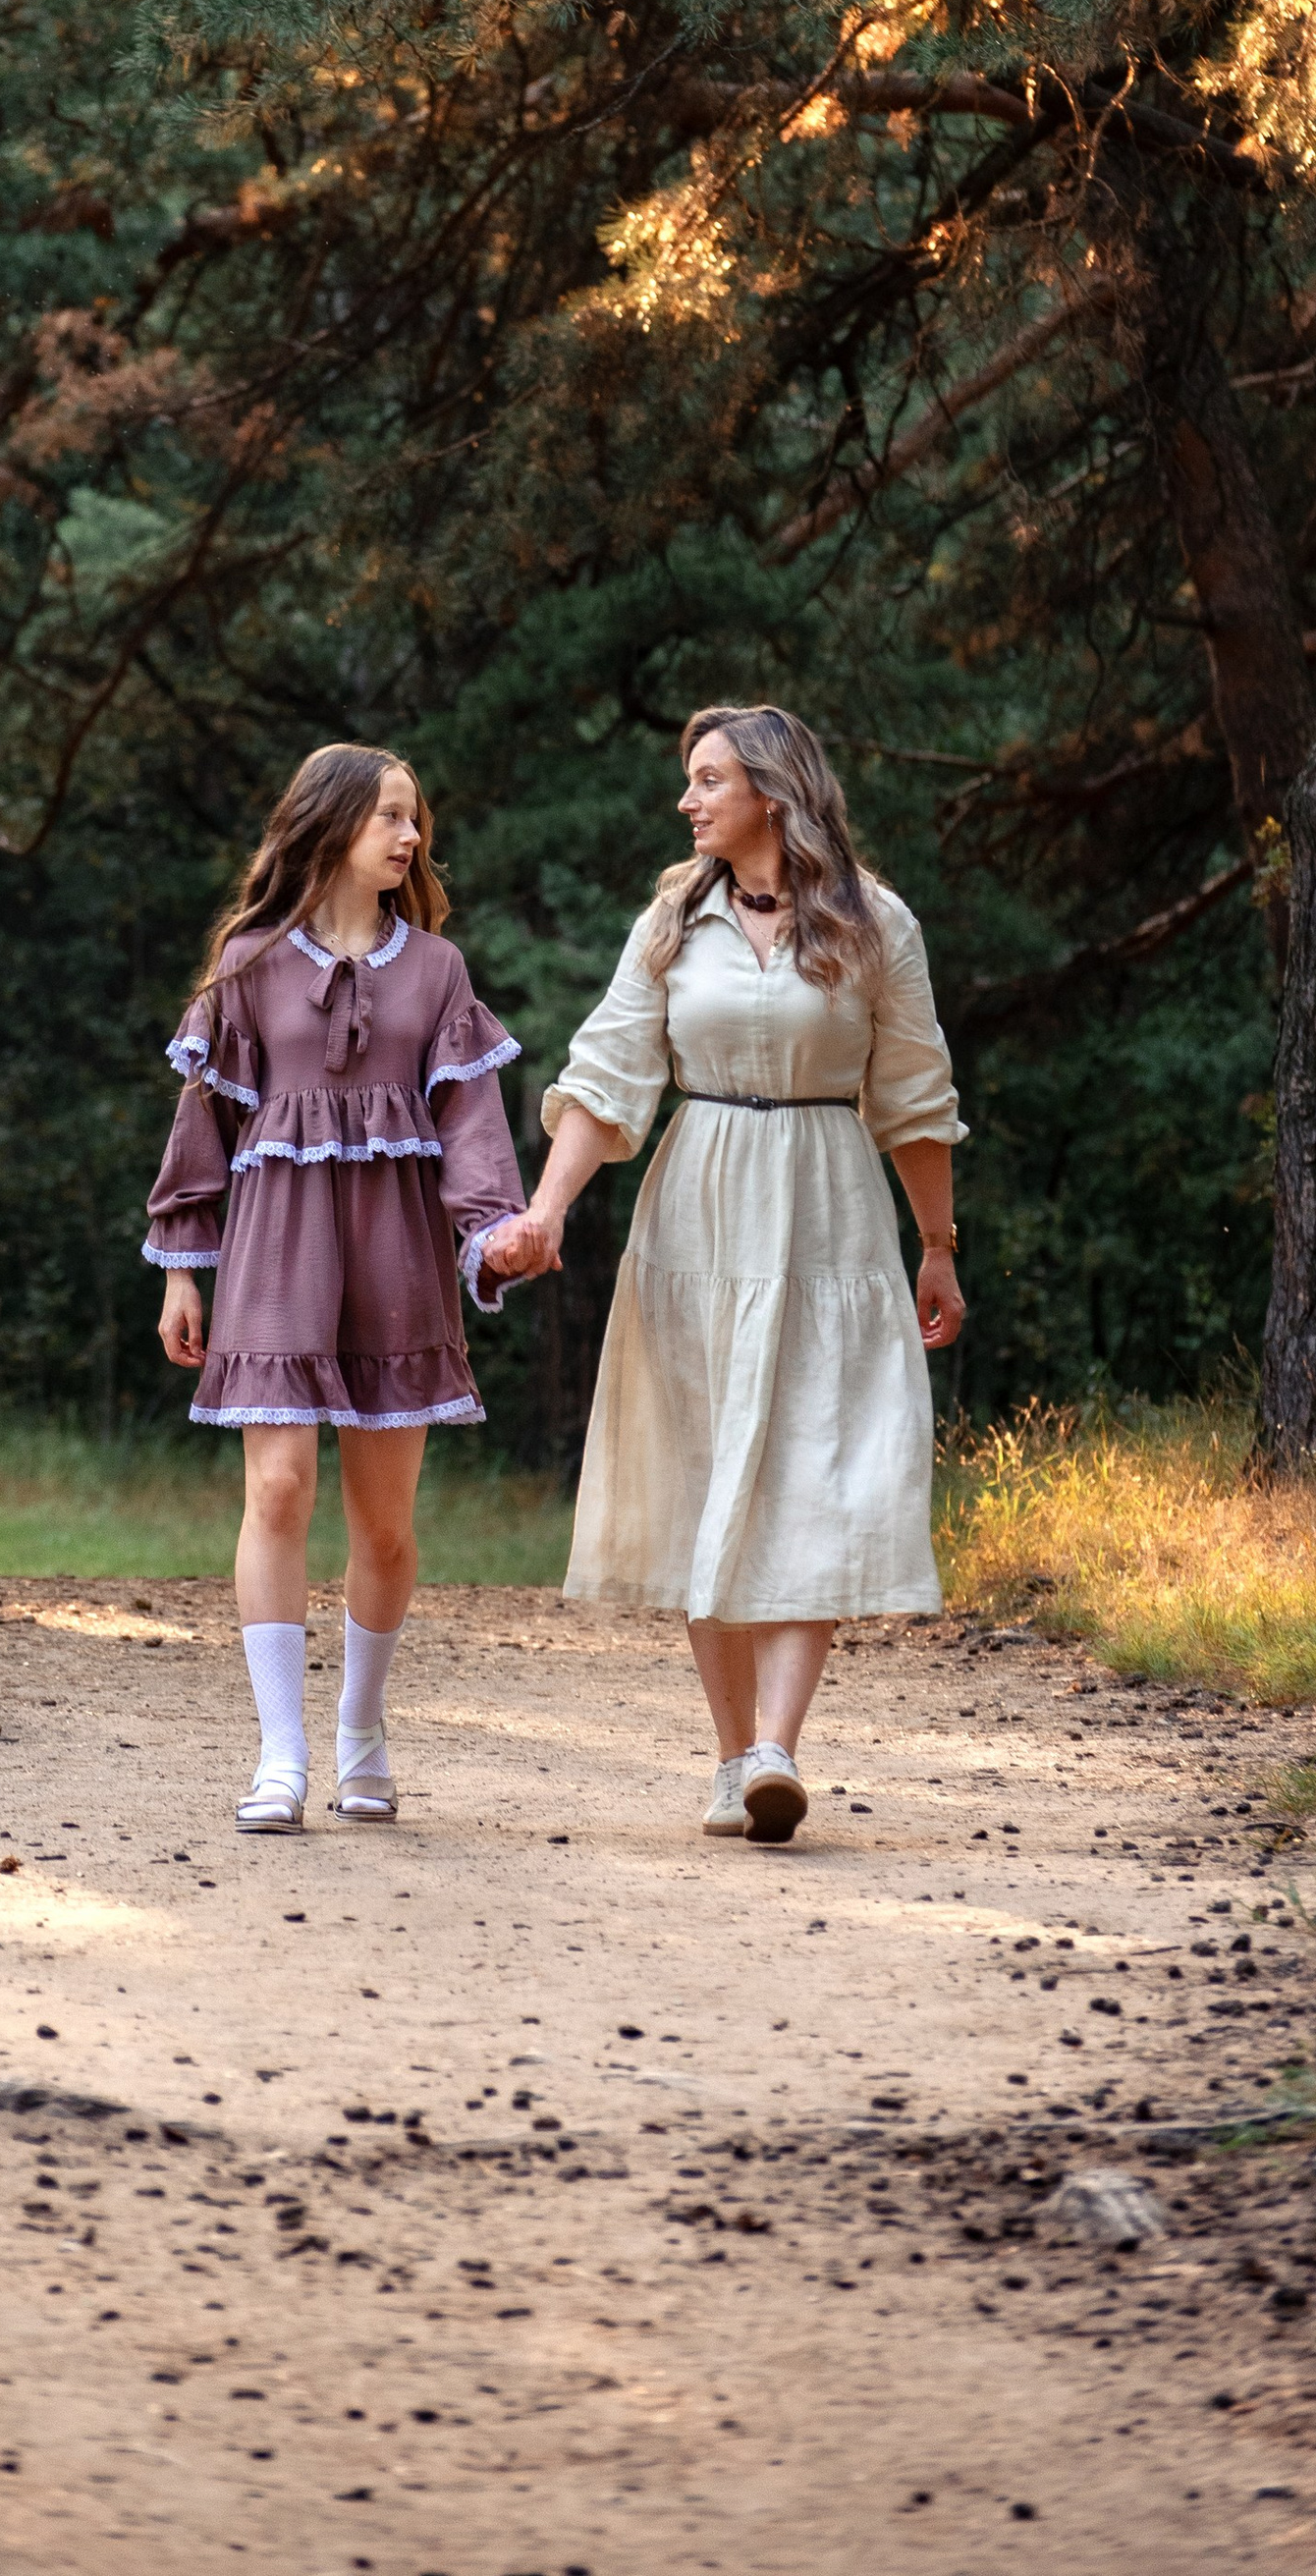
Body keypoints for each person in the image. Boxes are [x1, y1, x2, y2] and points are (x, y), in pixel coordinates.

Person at [495, 703, 965, 1843]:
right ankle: (725, 1757)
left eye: (707, 779)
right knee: (710, 1468)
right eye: (687, 780)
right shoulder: (673, 920)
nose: (687, 799)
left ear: (770, 791)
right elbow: (606, 1073)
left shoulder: (872, 923)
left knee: (818, 1465)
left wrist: (937, 1244)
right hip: (697, 1204)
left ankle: (776, 1750)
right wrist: (545, 1211)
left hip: (827, 1212)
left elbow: (911, 1092)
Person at [146, 741, 530, 1834]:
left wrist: (492, 1233)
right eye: (393, 818)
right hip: (275, 1248)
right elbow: (202, 1126)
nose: (412, 839)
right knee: (275, 1492)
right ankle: (281, 1752)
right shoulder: (249, 962)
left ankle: (362, 1724)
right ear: (332, 825)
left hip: (397, 1254)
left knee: (386, 1523)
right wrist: (183, 1264)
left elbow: (470, 1128)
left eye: (416, 821)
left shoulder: (438, 970)